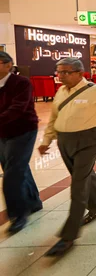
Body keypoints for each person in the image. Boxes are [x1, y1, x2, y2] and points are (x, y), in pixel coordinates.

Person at [39, 58, 96, 256]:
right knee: (84, 174)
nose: (60, 75)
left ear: (79, 73)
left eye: (66, 72)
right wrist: (46, 140)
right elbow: (54, 118)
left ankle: (68, 236)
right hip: (65, 141)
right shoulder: (61, 92)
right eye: (59, 71)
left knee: (78, 183)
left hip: (89, 139)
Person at [0, 52, 42, 234]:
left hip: (23, 131)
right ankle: (33, 202)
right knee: (17, 166)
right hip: (2, 133)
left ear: (8, 65)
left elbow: (18, 108)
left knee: (12, 173)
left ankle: (18, 215)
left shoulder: (21, 83)